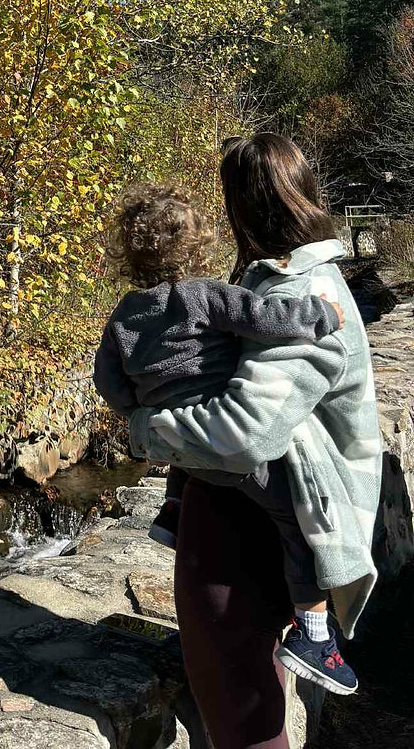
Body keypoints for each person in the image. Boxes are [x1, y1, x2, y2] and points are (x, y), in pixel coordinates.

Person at [126, 135, 381, 748]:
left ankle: (316, 638)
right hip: (251, 522)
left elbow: (246, 433)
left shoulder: (300, 293)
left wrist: (147, 430)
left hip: (252, 531)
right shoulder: (285, 282)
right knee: (237, 688)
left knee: (242, 706)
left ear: (244, 207)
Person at [93, 182, 358, 697]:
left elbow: (109, 382)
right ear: (196, 250)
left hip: (184, 452)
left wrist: (139, 410)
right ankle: (315, 637)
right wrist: (325, 314)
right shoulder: (204, 295)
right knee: (297, 521)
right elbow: (269, 320)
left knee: (181, 440)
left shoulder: (123, 315)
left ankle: (173, 510)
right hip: (231, 453)